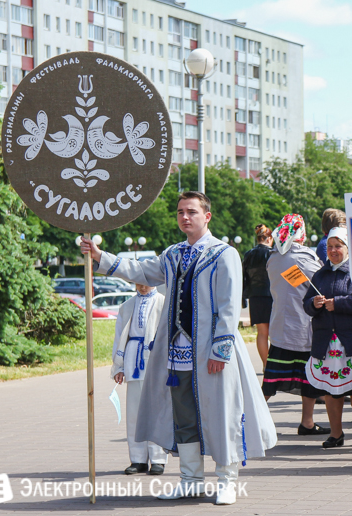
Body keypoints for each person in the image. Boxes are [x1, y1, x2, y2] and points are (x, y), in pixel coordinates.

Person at [81, 191, 277, 506]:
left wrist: (220, 350)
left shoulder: (223, 253)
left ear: (207, 216)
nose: (185, 217)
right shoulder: (172, 254)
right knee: (184, 416)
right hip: (177, 353)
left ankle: (226, 481)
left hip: (213, 352)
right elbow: (143, 272)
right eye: (180, 212)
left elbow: (229, 306)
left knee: (221, 414)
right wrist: (100, 257)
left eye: (192, 212)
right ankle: (190, 480)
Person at [304, 227, 352, 448]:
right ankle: (335, 434)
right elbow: (307, 305)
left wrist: (337, 303)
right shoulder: (320, 274)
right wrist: (314, 304)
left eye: (338, 246)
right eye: (329, 246)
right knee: (331, 388)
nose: (333, 250)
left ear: (348, 248)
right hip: (326, 341)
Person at [263, 214, 330, 435]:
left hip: (282, 324)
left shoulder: (274, 257)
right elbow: (321, 282)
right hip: (301, 324)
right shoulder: (301, 257)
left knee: (274, 377)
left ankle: (254, 418)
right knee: (305, 375)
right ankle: (306, 421)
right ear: (300, 232)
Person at [111, 284, 168, 476]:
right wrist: (118, 366)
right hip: (133, 359)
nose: (142, 287)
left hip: (155, 359)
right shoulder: (127, 306)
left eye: (146, 282)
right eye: (138, 283)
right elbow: (120, 336)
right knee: (134, 412)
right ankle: (138, 458)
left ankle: (158, 458)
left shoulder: (163, 302)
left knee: (156, 409)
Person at [242, 224, 274, 370]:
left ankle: (265, 365)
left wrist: (243, 297)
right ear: (269, 238)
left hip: (255, 296)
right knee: (274, 333)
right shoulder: (273, 254)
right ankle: (274, 366)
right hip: (272, 296)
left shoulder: (248, 254)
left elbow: (243, 277)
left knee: (261, 333)